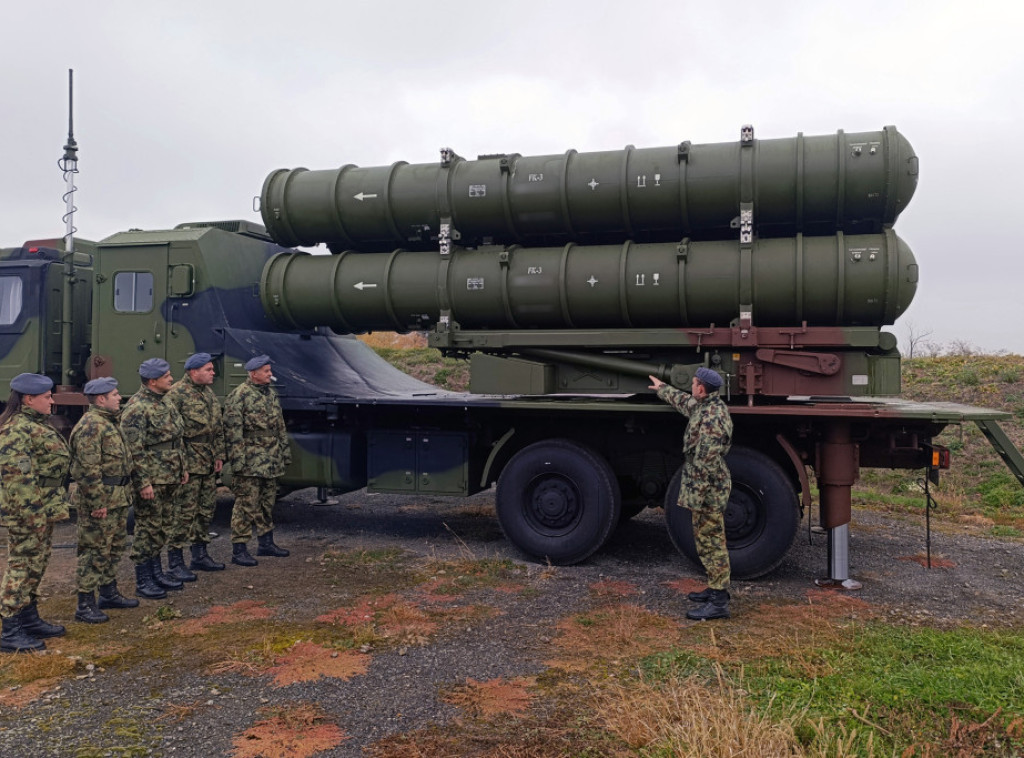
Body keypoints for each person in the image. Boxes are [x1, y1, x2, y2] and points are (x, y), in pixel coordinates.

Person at [649, 367, 734, 620]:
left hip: (708, 489)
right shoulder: (705, 406)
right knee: (706, 540)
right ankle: (715, 588)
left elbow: (705, 464)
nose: (691, 387)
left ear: (702, 389)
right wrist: (662, 388)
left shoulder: (711, 419)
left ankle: (719, 602)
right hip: (707, 486)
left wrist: (693, 499)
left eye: (694, 383)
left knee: (711, 541)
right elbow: (685, 402)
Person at [0, 373, 71, 652]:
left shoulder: (36, 424)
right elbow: (18, 478)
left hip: (43, 508)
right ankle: (10, 629)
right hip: (28, 512)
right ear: (29, 399)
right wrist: (33, 515)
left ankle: (28, 618)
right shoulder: (16, 430)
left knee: (37, 563)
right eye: (47, 397)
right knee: (22, 565)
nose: (52, 401)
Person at [70, 377, 143, 623]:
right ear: (101, 399)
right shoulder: (91, 426)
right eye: (115, 394)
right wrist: (96, 502)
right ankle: (85, 604)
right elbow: (87, 469)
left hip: (117, 497)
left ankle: (108, 593)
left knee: (114, 547)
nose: (119, 397)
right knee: (94, 551)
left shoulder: (110, 422)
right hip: (101, 499)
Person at [120, 358, 188, 599]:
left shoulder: (165, 401)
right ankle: (143, 579)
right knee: (147, 528)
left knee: (162, 526)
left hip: (170, 474)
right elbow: (133, 450)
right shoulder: (136, 408)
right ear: (152, 381)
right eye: (166, 376)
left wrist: (182, 467)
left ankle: (156, 572)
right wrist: (143, 482)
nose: (171, 379)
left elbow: (176, 439)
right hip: (152, 478)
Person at [224, 354, 291, 566]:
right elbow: (233, 432)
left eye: (270, 370)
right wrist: (238, 462)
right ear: (254, 374)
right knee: (246, 505)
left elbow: (280, 426)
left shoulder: (270, 394)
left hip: (271, 459)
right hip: (250, 461)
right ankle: (239, 550)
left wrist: (284, 453)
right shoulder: (239, 395)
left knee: (267, 502)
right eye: (266, 371)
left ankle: (266, 543)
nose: (270, 374)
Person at [166, 352, 226, 576]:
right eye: (208, 370)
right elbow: (172, 435)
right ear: (193, 372)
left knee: (206, 509)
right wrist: (181, 465)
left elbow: (217, 428)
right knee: (184, 512)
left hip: (207, 460)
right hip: (189, 462)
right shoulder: (176, 395)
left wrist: (219, 454)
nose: (213, 373)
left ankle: (199, 555)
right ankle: (175, 561)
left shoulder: (208, 393)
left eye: (212, 369)